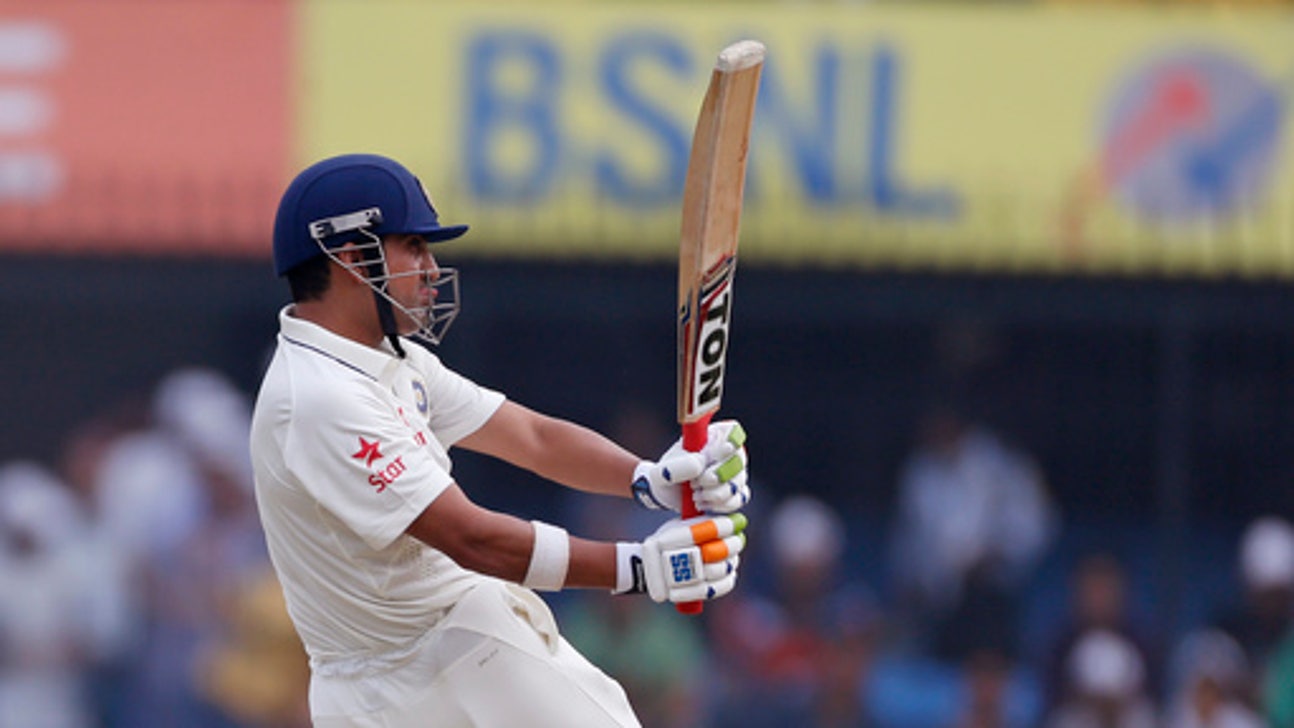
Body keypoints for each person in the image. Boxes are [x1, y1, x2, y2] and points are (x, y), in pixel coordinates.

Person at [250, 153, 752, 727]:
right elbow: (472, 539)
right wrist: (637, 568)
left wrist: (647, 480)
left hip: (402, 679)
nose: (432, 268)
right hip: (433, 663)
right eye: (413, 246)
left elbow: (532, 437)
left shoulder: (388, 360)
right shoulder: (322, 398)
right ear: (347, 256)